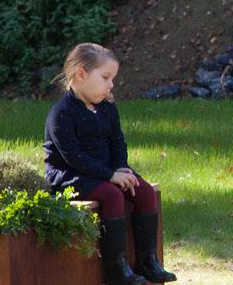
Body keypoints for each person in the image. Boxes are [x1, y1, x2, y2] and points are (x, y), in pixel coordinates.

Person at [43, 43, 176, 284]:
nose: (111, 85)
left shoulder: (106, 107)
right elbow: (74, 158)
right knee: (112, 195)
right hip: (72, 176)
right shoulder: (62, 113)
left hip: (104, 170)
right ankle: (116, 268)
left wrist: (121, 168)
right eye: (105, 77)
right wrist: (110, 175)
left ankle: (147, 261)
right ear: (80, 74)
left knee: (144, 191)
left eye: (112, 78)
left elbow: (117, 141)